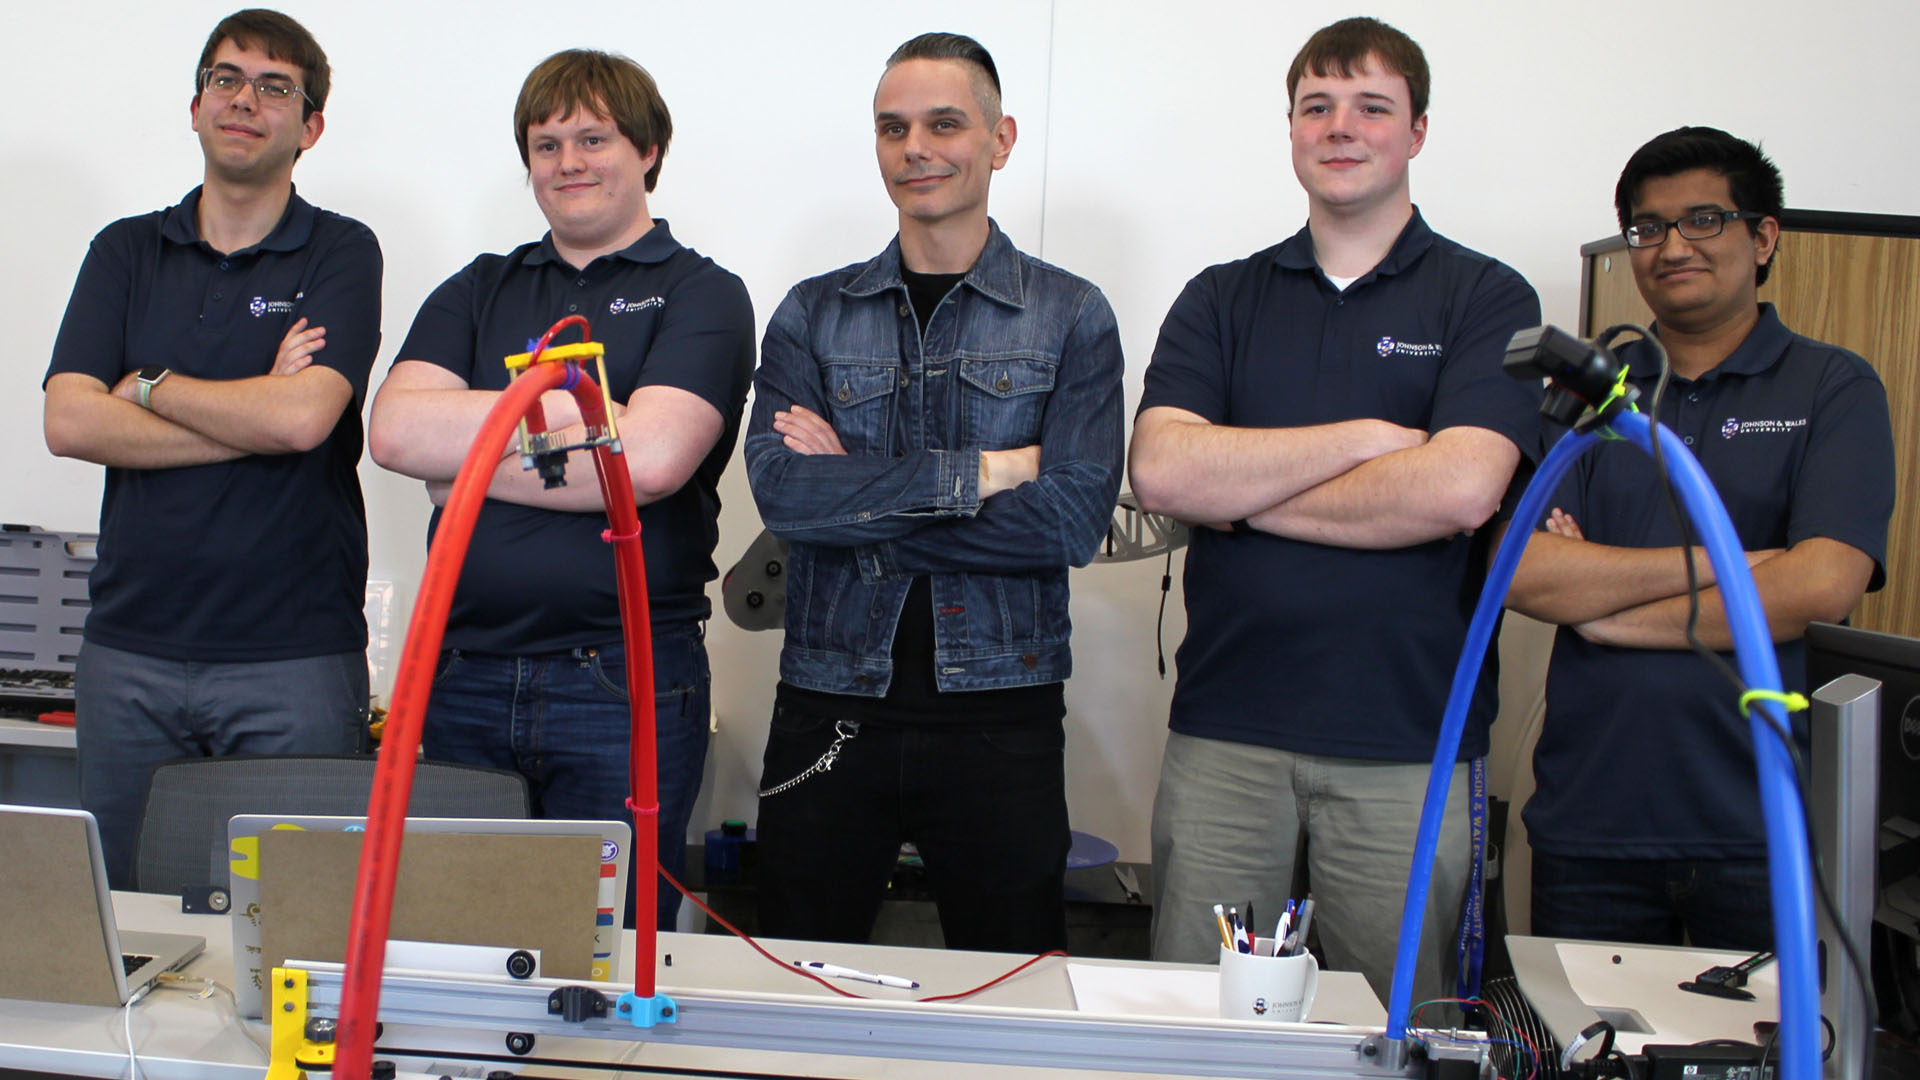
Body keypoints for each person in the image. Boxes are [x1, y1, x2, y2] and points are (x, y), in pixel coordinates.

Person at [1127, 16, 1542, 1003]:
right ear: (1291, 128)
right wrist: (1368, 439)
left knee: (1396, 1023)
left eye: (1371, 106)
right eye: (1317, 106)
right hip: (1227, 731)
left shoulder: (1486, 298)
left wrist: (1247, 492)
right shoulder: (1222, 299)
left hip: (1412, 744)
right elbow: (1165, 475)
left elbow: (1461, 490)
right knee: (1196, 1016)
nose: (1341, 127)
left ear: (1418, 131)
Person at [743, 32, 1124, 953]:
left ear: (1001, 140)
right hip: (828, 702)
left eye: (944, 123)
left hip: (1003, 715)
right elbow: (786, 500)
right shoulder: (812, 311)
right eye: (892, 127)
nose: (914, 147)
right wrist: (990, 471)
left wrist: (859, 510)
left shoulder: (1071, 313)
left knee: (1013, 991)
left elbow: (1071, 519)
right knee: (795, 983)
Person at [367, 49, 754, 929]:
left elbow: (651, 462)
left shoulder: (701, 294)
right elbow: (393, 432)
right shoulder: (477, 288)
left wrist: (462, 465)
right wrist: (595, 432)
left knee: (605, 950)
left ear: (648, 150)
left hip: (622, 681)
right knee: (462, 935)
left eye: (594, 138)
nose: (569, 162)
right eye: (547, 145)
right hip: (463, 677)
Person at [1506, 127, 1895, 948]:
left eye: (1705, 219)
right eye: (1649, 227)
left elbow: (1821, 584)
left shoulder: (1833, 386)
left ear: (1763, 237)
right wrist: (1745, 559)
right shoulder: (1592, 393)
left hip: (1764, 825)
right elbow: (1528, 574)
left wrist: (1604, 609)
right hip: (1592, 821)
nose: (1672, 245)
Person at [42, 9, 380, 890]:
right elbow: (71, 422)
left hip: (295, 661)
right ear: (194, 106)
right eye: (226, 80)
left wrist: (152, 385)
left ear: (309, 127)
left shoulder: (341, 250)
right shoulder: (124, 252)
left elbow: (304, 421)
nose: (245, 101)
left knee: (299, 926)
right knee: (131, 922)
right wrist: (254, 413)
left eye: (276, 87)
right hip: (129, 657)